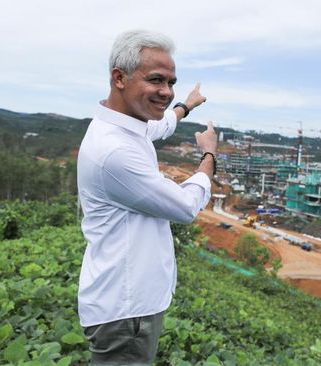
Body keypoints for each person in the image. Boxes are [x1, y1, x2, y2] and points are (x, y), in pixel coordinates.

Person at [76, 30, 217, 365]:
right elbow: (184, 207)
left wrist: (186, 105)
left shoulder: (121, 125)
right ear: (119, 77)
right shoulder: (115, 152)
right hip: (127, 310)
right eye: (156, 80)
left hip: (125, 303)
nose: (166, 92)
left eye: (171, 82)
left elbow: (158, 126)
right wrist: (210, 156)